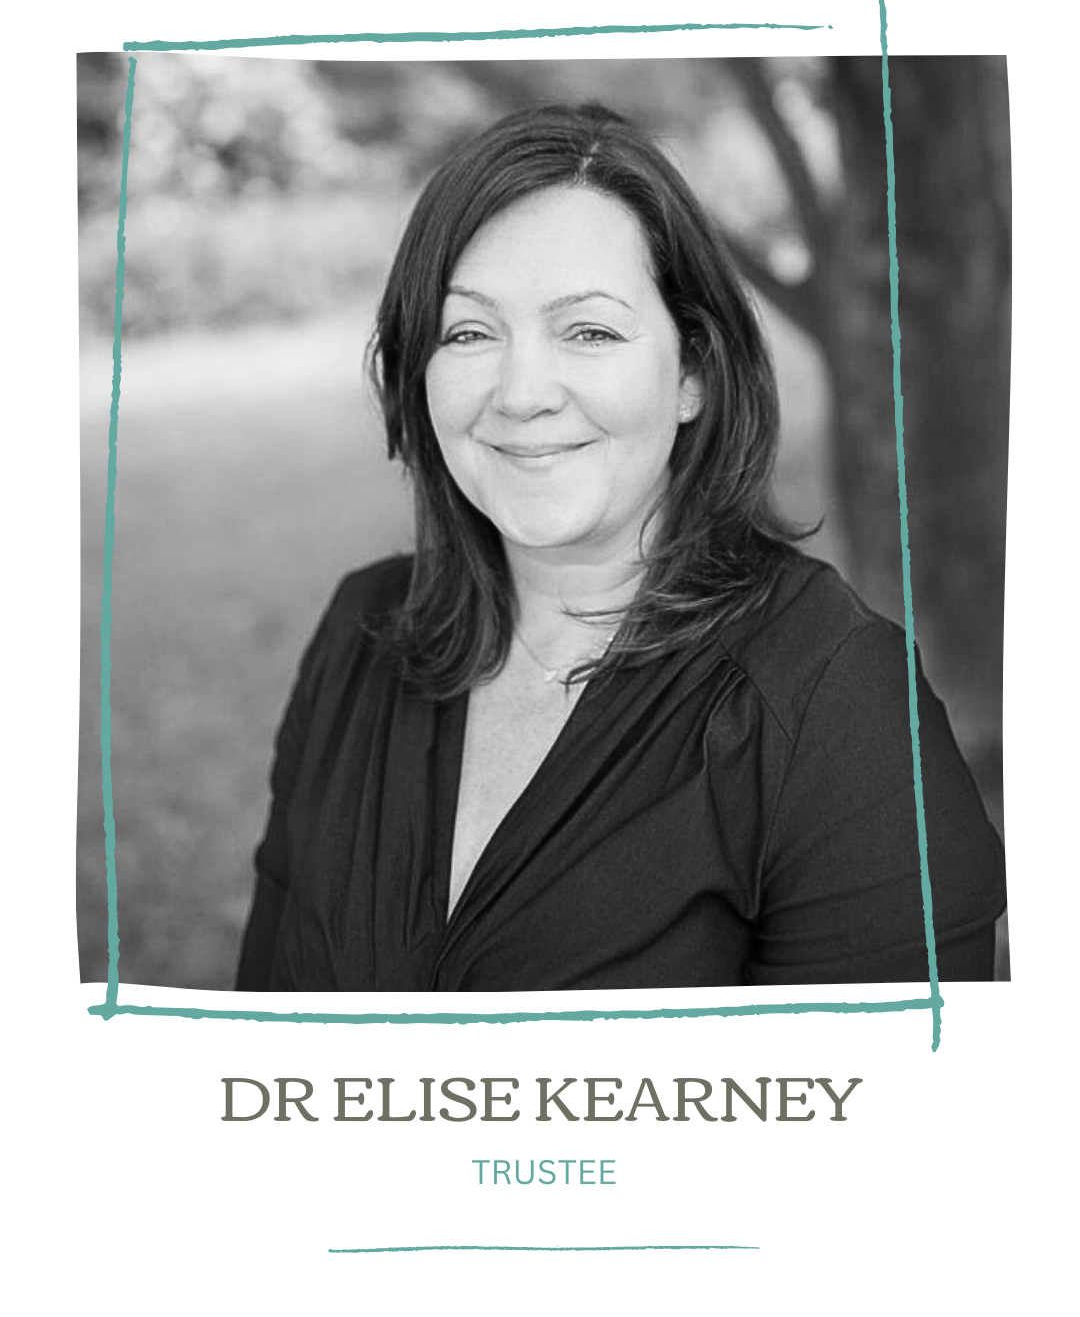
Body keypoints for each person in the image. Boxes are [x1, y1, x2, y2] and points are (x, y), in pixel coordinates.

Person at [236, 103, 1006, 992]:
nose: (521, 392)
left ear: (693, 373)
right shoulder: (358, 636)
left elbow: (890, 1118)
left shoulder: (841, 706)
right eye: (470, 332)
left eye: (590, 331)